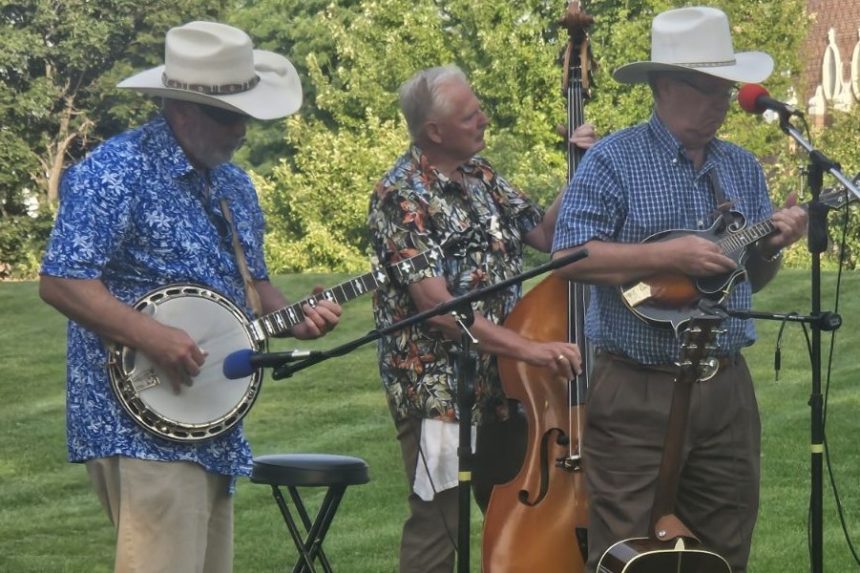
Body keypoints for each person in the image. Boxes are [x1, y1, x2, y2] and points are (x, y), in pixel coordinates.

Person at [39, 21, 341, 573]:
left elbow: (255, 287)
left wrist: (296, 317)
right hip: (139, 422)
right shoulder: (115, 172)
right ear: (181, 110)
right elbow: (62, 280)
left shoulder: (234, 185)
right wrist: (153, 337)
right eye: (229, 116)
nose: (242, 130)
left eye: (247, 114)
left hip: (211, 420)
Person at [551, 6, 808, 573]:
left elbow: (747, 280)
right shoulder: (613, 160)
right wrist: (667, 255)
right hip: (637, 388)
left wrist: (770, 247)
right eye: (708, 88)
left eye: (727, 89)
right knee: (626, 552)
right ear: (664, 85)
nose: (722, 102)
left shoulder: (742, 167)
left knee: (725, 551)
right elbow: (568, 256)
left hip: (725, 389)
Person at [367, 64, 595, 573]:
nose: (484, 120)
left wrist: (580, 168)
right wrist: (531, 349)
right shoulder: (400, 196)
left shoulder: (482, 175)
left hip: (506, 384)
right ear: (434, 131)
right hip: (438, 391)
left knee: (517, 509)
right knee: (440, 522)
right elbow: (438, 308)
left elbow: (545, 236)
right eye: (471, 116)